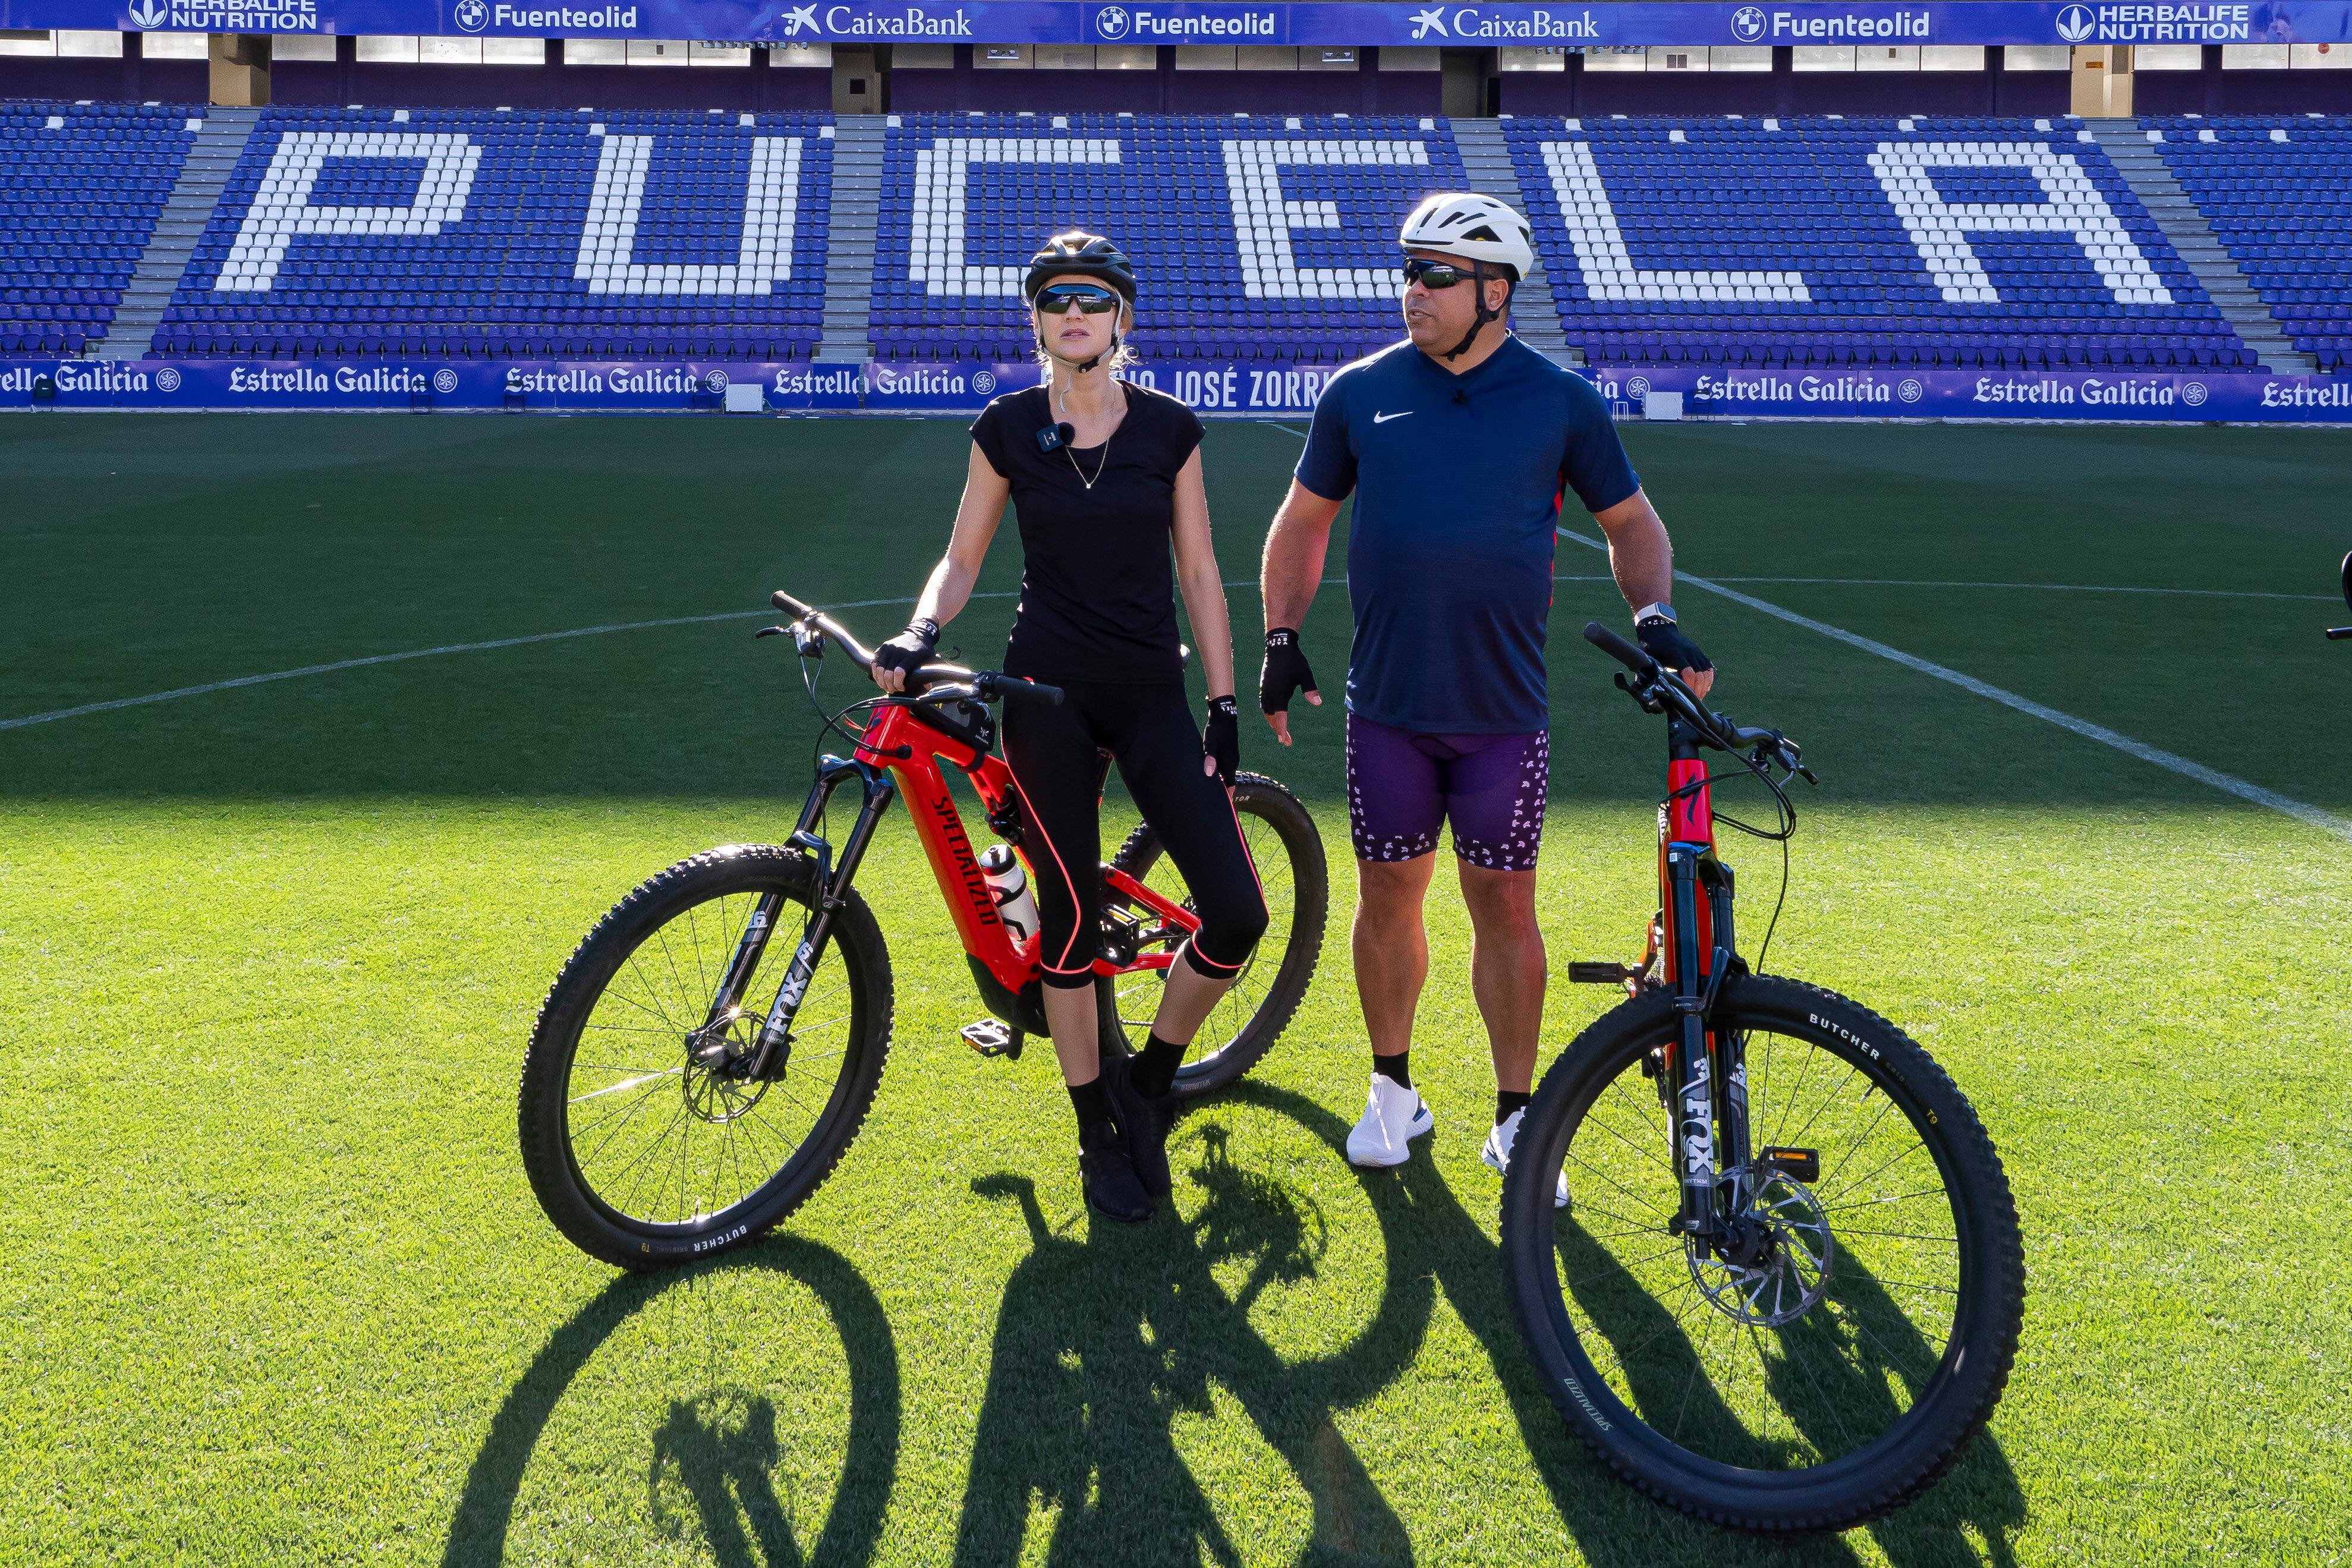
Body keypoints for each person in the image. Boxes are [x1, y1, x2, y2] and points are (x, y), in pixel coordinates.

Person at [1255, 193, 1716, 1199]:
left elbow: (1632, 525)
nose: (1409, 291)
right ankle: (1392, 1089)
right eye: (1407, 271)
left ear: (1493, 292)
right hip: (1386, 708)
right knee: (1387, 895)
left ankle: (1518, 1118)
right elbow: (1300, 523)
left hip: (1503, 713)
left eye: (1432, 276)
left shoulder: (1559, 400)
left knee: (1503, 900)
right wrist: (1281, 637)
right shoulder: (1358, 391)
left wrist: (1654, 616)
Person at [871, 231, 1268, 1224]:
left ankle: (1149, 1080)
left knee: (1235, 914)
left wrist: (1223, 702)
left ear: (1120, 317)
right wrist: (922, 628)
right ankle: (1094, 1120)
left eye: (1091, 298)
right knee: (1070, 918)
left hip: (1149, 692)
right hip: (1045, 694)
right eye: (1055, 300)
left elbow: (1199, 571)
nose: (1073, 313)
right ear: (1038, 321)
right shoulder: (1005, 427)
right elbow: (959, 560)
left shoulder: (1171, 429)